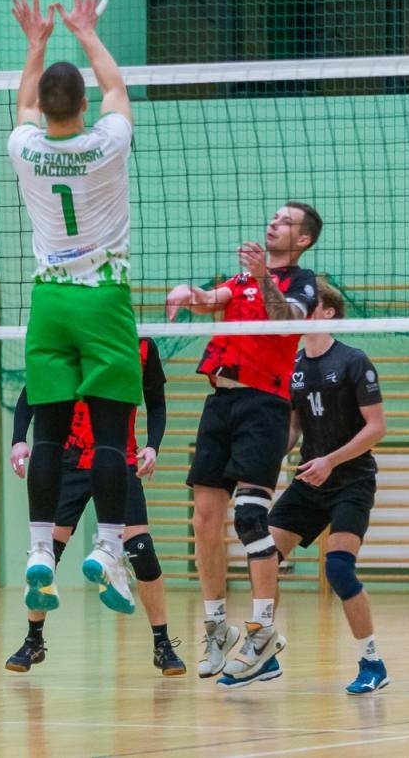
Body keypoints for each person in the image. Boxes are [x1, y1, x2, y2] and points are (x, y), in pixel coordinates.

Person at [6, 0, 141, 616]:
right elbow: (117, 91)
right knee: (111, 434)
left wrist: (35, 45)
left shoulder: (25, 148)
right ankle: (109, 548)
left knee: (52, 436)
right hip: (103, 298)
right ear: (82, 105)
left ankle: (38, 550)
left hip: (50, 302)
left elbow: (23, 106)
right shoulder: (107, 144)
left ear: (41, 105)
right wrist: (86, 32)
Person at [166, 202, 323, 686]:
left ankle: (262, 630)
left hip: (265, 406)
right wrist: (185, 292)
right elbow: (209, 298)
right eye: (273, 217)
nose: (274, 223)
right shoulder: (240, 281)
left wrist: (265, 277)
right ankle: (216, 626)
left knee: (252, 517)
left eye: (286, 221)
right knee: (204, 518)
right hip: (220, 403)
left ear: (302, 240)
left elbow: (285, 320)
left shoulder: (302, 282)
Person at [5, 339, 186, 675]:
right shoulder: (66, 341)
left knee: (142, 551)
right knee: (45, 556)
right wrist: (19, 438)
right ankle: (34, 640)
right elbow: (30, 394)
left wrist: (152, 447)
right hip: (68, 459)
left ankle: (162, 644)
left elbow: (157, 405)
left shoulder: (142, 348)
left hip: (117, 458)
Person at [266, 281, 390, 695]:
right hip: (310, 479)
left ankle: (372, 661)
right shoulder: (294, 366)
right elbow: (294, 427)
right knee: (262, 558)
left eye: (305, 303)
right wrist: (261, 461)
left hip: (351, 479)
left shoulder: (354, 361)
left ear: (327, 312)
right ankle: (263, 653)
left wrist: (331, 460)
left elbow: (377, 428)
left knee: (338, 567)